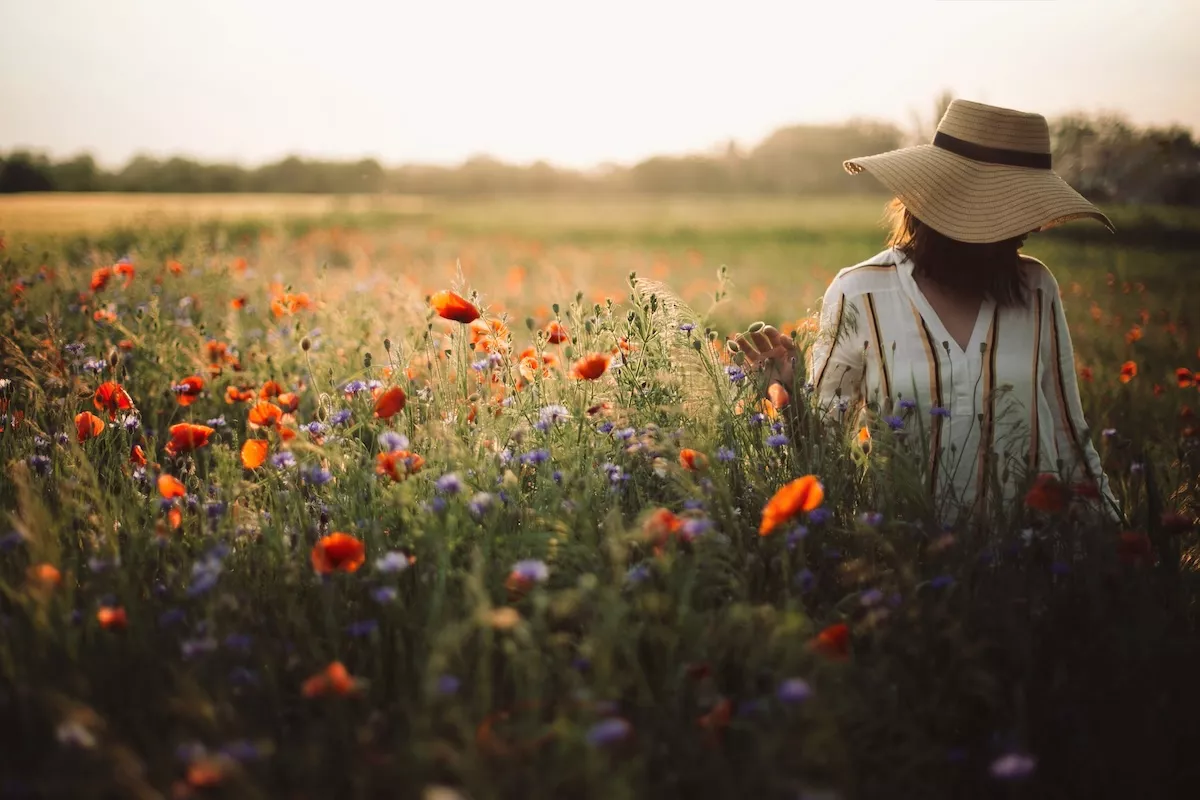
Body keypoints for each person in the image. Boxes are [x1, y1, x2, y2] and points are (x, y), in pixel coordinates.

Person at [735, 99, 1118, 522]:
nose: (1024, 230)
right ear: (952, 208)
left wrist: (1122, 550)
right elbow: (825, 451)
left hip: (1031, 559)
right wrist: (787, 396)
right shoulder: (860, 292)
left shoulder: (1036, 288)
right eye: (1009, 211)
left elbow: (1071, 438)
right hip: (907, 561)